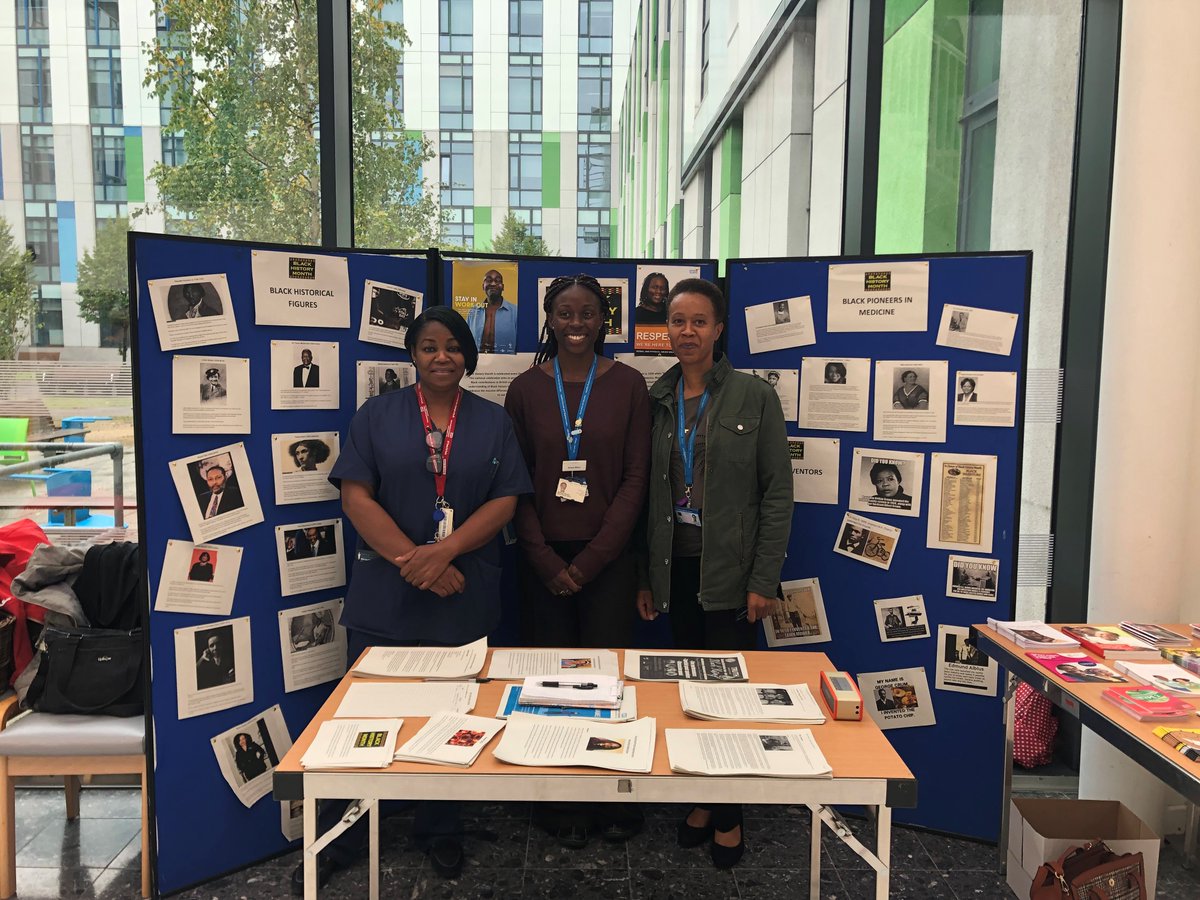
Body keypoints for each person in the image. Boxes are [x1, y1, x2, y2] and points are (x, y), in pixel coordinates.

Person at [297, 306, 530, 893]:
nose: (442, 356)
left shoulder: (494, 421)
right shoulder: (376, 416)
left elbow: (505, 503)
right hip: (389, 592)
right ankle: (345, 834)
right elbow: (355, 498)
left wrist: (444, 553)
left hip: (463, 590)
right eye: (429, 346)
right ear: (412, 355)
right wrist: (418, 562)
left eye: (453, 346)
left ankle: (440, 826)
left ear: (468, 356)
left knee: (454, 716)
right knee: (367, 718)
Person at [636, 277, 791, 869]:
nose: (688, 332)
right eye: (678, 321)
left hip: (730, 573)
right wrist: (647, 578)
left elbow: (777, 494)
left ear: (719, 329)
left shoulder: (754, 396)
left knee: (727, 699)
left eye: (700, 321)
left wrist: (762, 580)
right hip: (675, 567)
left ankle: (730, 814)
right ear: (666, 329)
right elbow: (649, 498)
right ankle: (704, 799)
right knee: (687, 695)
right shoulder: (657, 399)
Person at [504, 274, 650, 848]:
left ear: (604, 319)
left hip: (608, 559)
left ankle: (611, 791)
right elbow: (513, 483)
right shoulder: (523, 388)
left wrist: (590, 562)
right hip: (541, 561)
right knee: (550, 685)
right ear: (549, 318)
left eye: (588, 313)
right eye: (565, 313)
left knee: (607, 682)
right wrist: (542, 558)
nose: (576, 324)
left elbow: (636, 480)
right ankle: (560, 794)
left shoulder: (631, 384)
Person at [466, 269, 518, 353]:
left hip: (507, 364)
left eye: (497, 281)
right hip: (477, 364)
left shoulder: (515, 312)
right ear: (483, 286)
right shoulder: (473, 311)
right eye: (489, 280)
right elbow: (465, 340)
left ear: (503, 287)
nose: (493, 284)